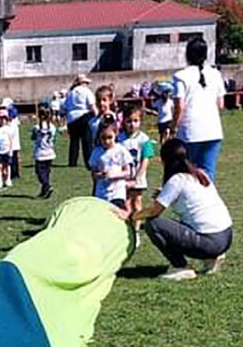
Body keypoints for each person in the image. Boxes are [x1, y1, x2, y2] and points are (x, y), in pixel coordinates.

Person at [133, 138, 233, 282]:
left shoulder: (176, 181)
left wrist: (131, 215)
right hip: (226, 236)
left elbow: (154, 212)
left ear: (164, 160)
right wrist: (165, 194)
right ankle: (213, 257)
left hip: (209, 241)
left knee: (153, 225)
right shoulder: (200, 174)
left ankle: (181, 267)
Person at [172, 38, 226, 184]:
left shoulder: (180, 76)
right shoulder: (215, 74)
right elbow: (220, 104)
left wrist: (173, 128)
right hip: (213, 129)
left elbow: (180, 106)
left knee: (188, 173)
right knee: (208, 173)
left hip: (190, 131)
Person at [118, 105, 155, 245]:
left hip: (138, 179)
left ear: (140, 122)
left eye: (135, 121)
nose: (132, 124)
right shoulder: (119, 138)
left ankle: (137, 230)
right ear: (123, 121)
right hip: (123, 179)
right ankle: (127, 231)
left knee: (137, 203)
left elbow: (146, 160)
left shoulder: (144, 139)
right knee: (126, 203)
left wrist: (138, 177)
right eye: (129, 121)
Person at [87, 122, 132, 212]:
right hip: (101, 192)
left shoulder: (121, 150)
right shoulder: (96, 152)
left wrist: (113, 175)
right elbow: (93, 173)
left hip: (117, 192)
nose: (107, 141)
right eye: (103, 138)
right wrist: (99, 175)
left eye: (109, 137)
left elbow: (128, 172)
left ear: (116, 134)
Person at [63, 74, 95, 167]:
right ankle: (88, 161)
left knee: (74, 141)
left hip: (72, 118)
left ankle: (72, 162)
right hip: (83, 116)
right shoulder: (87, 91)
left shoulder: (71, 93)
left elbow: (65, 107)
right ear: (83, 83)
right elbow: (92, 105)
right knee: (86, 141)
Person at [31, 104, 56, 199]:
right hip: (50, 153)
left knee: (40, 173)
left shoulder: (37, 127)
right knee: (47, 172)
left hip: (40, 153)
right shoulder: (52, 127)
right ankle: (44, 190)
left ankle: (47, 186)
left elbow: (33, 137)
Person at [0, 109, 13, 190]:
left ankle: (8, 179)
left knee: (7, 165)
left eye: (4, 119)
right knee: (0, 166)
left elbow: (10, 140)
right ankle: (0, 179)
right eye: (0, 119)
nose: (2, 121)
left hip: (7, 149)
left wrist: (10, 150)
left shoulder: (8, 129)